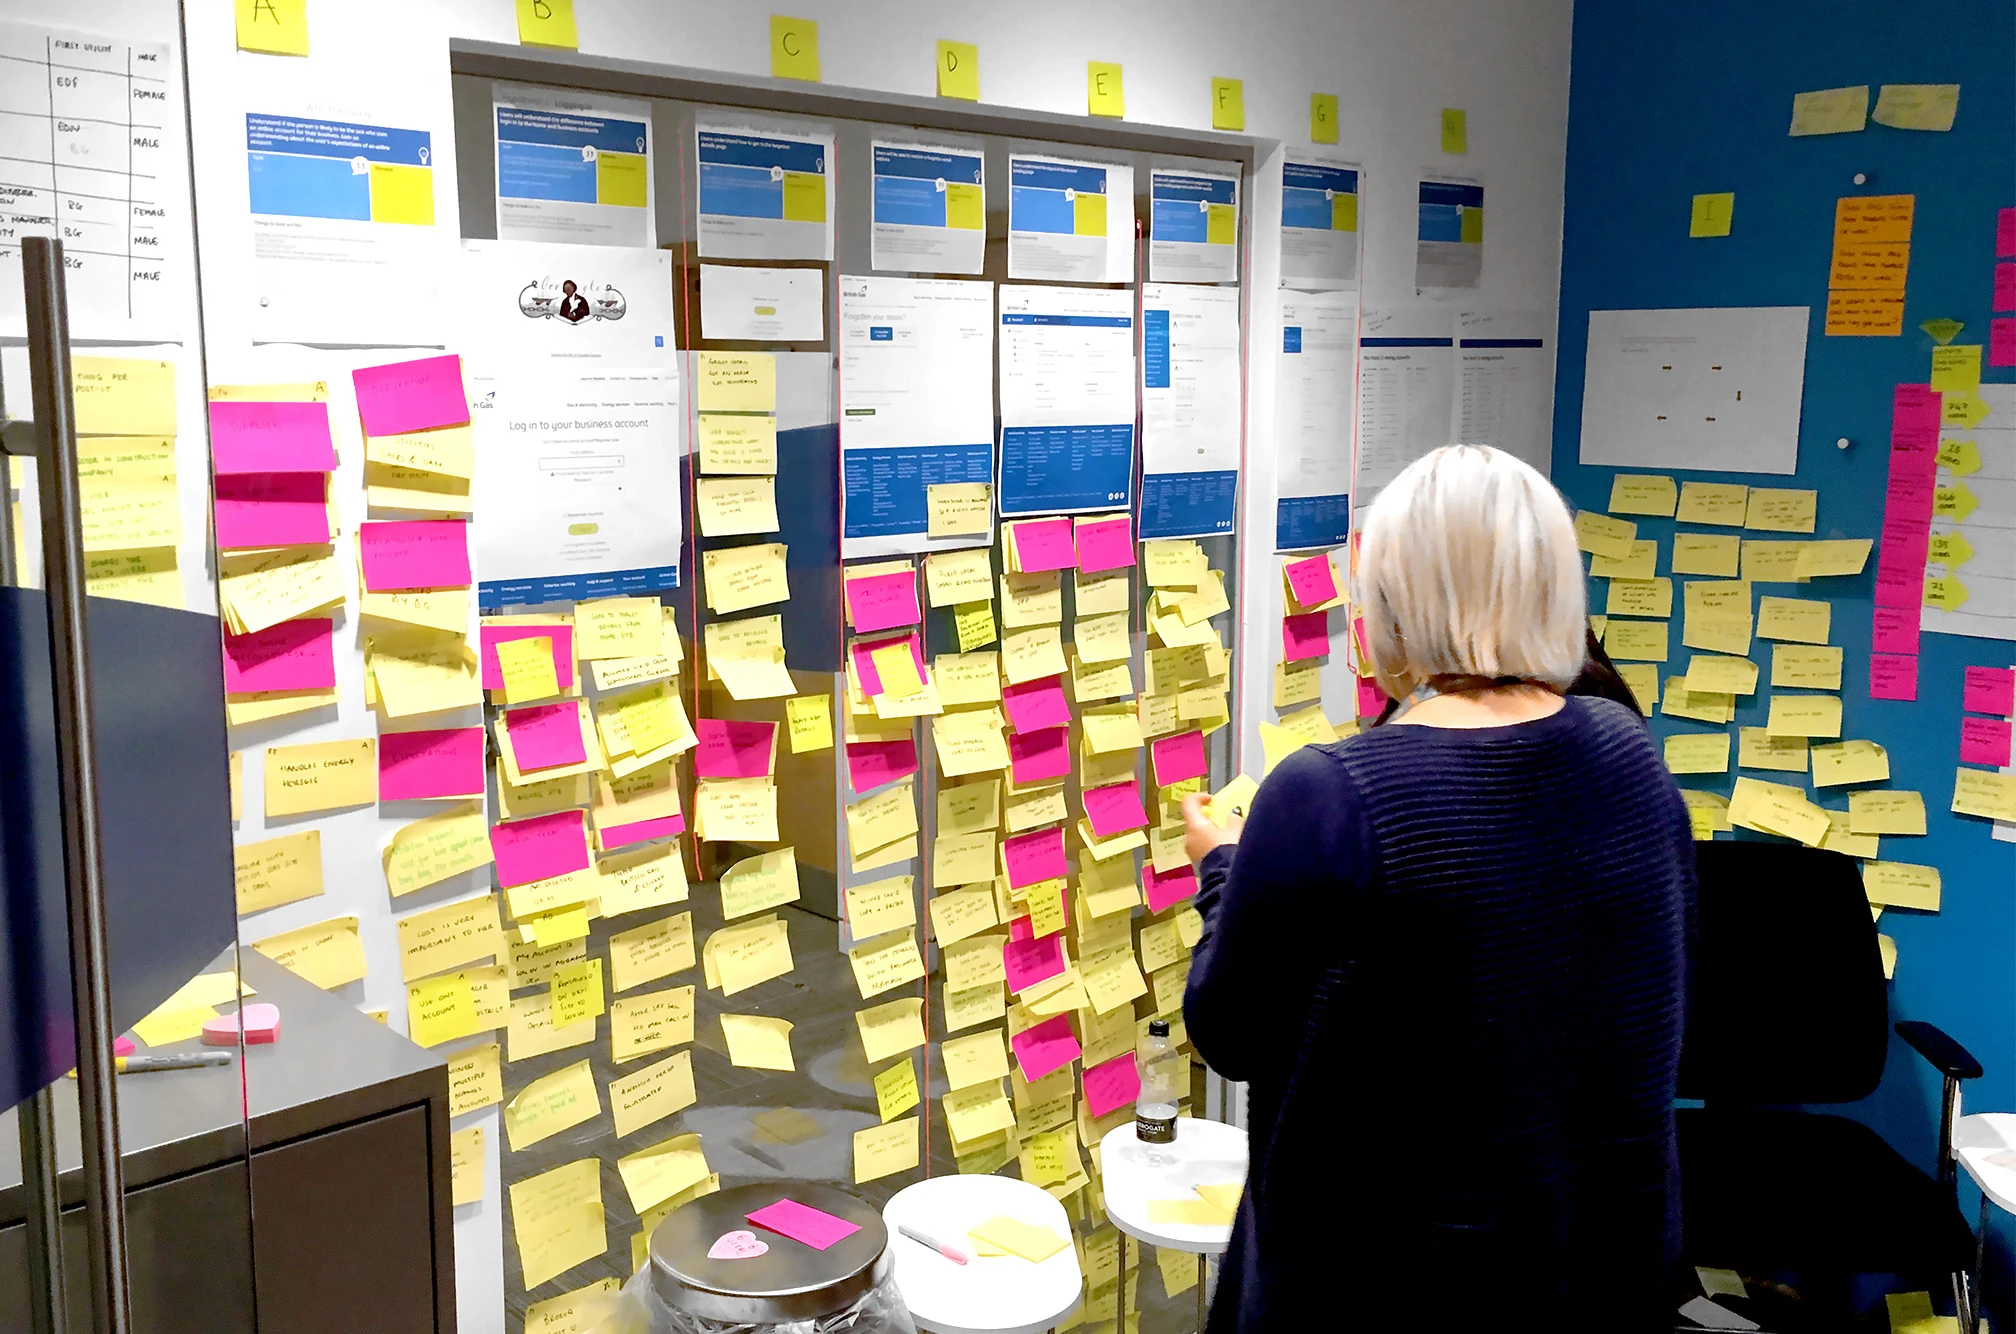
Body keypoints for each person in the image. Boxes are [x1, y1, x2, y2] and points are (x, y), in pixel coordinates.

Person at [1180, 445, 1694, 1332]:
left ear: (1394, 604)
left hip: (1389, 1285)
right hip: (1594, 1274)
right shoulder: (1630, 754)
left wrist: (1223, 865)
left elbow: (1229, 1032)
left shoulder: (1330, 792)